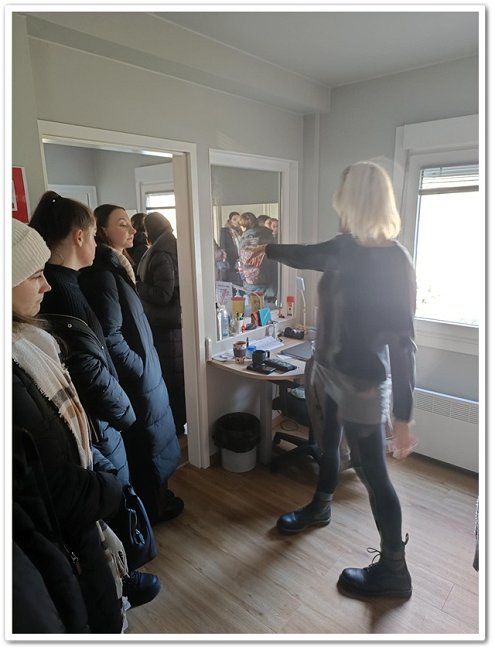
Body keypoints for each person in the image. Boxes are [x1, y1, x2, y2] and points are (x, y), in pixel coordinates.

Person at [248, 161, 417, 600]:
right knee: (327, 444)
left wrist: (403, 417)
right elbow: (308, 254)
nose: (338, 207)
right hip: (326, 369)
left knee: (371, 472)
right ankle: (321, 506)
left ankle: (394, 570)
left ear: (358, 201)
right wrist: (269, 249)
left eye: (343, 199)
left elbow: (403, 344)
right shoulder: (345, 247)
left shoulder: (394, 262)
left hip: (362, 382)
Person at [29, 191, 161, 607]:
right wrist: (126, 411)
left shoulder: (71, 282)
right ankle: (124, 579)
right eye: (92, 233)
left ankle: (122, 574)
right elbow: (89, 368)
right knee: (111, 498)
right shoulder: (65, 292)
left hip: (97, 417)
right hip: (97, 421)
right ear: (79, 236)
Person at [12, 218, 124, 632]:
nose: (46, 285)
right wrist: (111, 486)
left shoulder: (32, 342)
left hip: (78, 522)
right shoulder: (15, 374)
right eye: (34, 276)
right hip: (68, 538)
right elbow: (54, 483)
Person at [79, 204, 183, 525]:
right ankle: (154, 506)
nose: (133, 230)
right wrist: (140, 368)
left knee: (155, 438)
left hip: (144, 369)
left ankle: (159, 498)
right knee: (147, 443)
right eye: (122, 224)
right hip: (137, 376)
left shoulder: (119, 266)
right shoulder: (103, 274)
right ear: (102, 231)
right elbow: (111, 337)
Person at [136, 211, 186, 436]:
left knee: (171, 378)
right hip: (174, 322)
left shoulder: (161, 253)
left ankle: (177, 426)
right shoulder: (174, 246)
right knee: (176, 376)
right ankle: (179, 423)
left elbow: (162, 295)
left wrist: (137, 286)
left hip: (166, 324)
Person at [237, 211, 277, 304]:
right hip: (269, 278)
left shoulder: (245, 239)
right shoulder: (268, 235)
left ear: (243, 226)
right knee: (270, 307)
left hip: (251, 280)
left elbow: (242, 258)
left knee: (254, 307)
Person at [219, 211, 242, 286]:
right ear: (230, 221)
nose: (237, 222)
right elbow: (222, 245)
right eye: (234, 219)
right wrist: (224, 258)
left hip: (240, 259)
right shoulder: (225, 230)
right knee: (231, 280)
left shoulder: (241, 231)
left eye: (239, 220)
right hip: (230, 258)